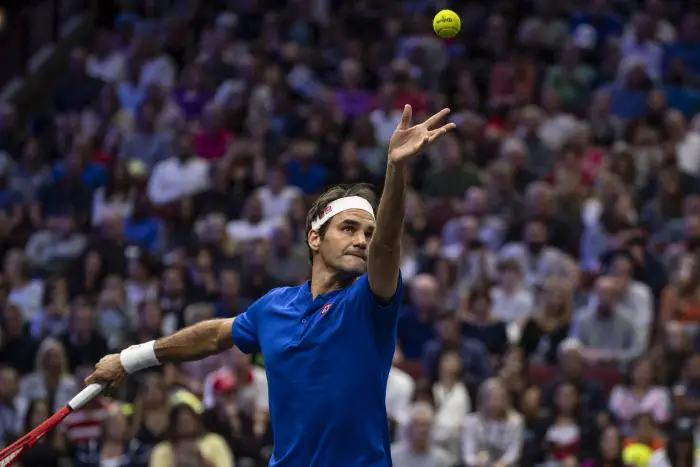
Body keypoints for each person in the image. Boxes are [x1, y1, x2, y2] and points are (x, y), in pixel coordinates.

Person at [85, 104, 456, 467]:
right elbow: (214, 336)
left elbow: (388, 245)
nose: (362, 240)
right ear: (315, 239)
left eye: (368, 233)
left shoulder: (369, 303)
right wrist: (129, 358)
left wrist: (395, 169)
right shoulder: (273, 307)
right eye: (348, 228)